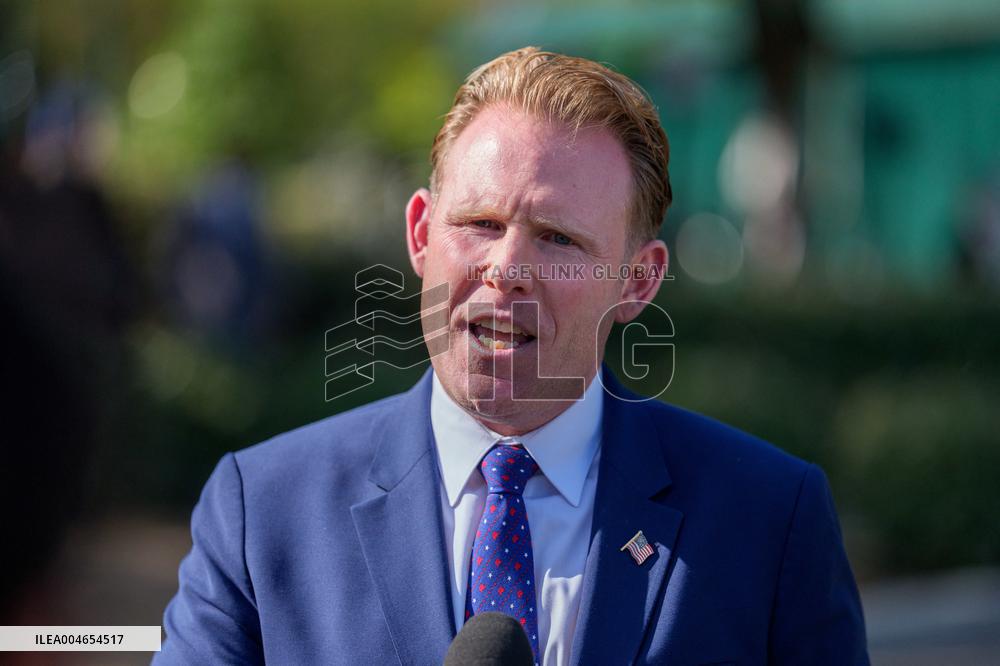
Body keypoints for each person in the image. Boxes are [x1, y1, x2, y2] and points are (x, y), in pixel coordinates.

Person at [155, 47, 869, 665]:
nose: (507, 267)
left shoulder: (770, 521)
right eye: (479, 224)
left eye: (557, 237)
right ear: (421, 234)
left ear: (639, 279)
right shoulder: (263, 512)